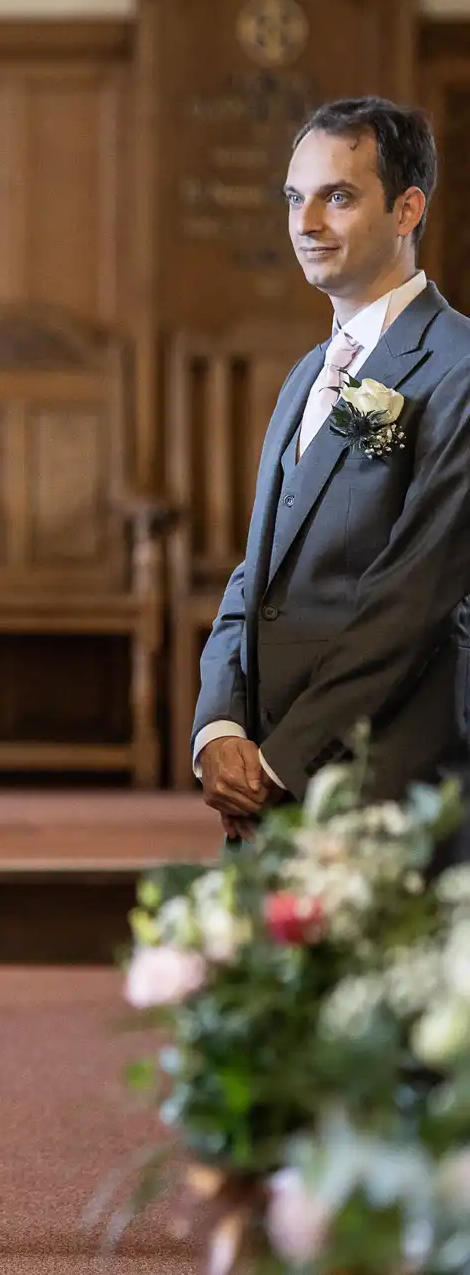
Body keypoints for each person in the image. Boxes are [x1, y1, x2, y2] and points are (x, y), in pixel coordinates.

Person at [192, 97, 470, 833]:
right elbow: (256, 572)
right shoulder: (308, 372)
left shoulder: (457, 367)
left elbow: (414, 599)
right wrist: (218, 726)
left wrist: (282, 761)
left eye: (337, 197)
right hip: (270, 781)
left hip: (382, 782)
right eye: (295, 198)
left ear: (408, 209)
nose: (306, 223)